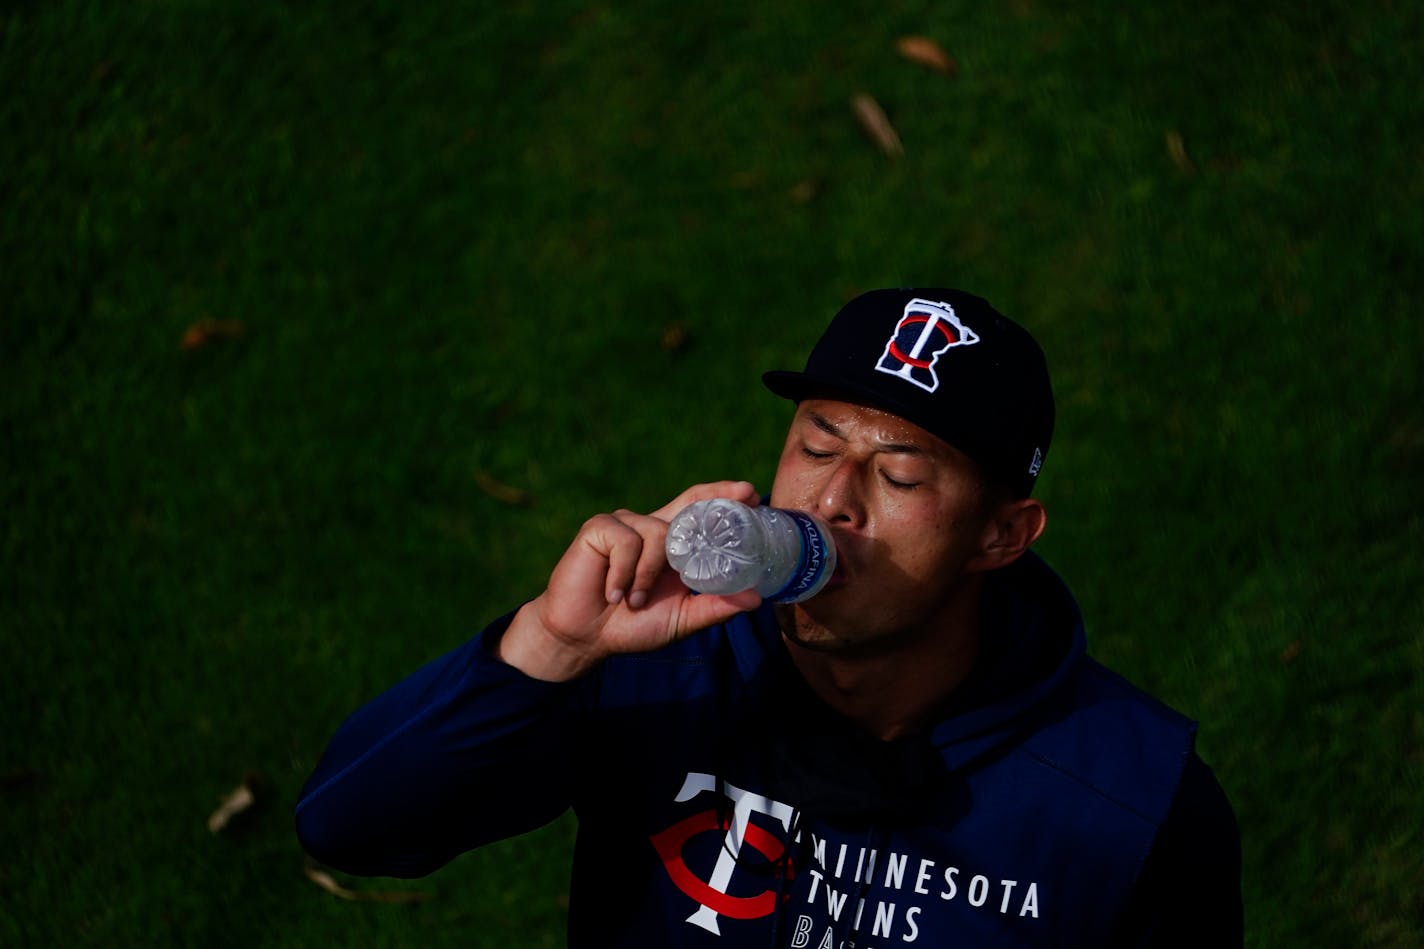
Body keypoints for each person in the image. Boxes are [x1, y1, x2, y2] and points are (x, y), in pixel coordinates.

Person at [295, 288, 1242, 946]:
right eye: (816, 445)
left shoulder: (1130, 801)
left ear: (1001, 534)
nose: (832, 500)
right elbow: (347, 825)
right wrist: (552, 641)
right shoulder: (658, 672)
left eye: (900, 474)